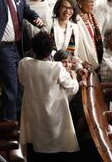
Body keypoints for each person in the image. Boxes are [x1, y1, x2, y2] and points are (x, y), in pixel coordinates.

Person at [18, 32, 83, 161]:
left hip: (33, 110)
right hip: (53, 113)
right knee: (55, 148)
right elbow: (73, 88)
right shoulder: (57, 67)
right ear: (50, 50)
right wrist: (75, 77)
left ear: (33, 48)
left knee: (36, 145)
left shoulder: (25, 63)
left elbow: (22, 81)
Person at [73, 0, 104, 70]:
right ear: (80, 3)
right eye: (90, 2)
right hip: (82, 58)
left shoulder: (90, 17)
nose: (92, 4)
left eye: (93, 2)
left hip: (93, 53)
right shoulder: (75, 20)